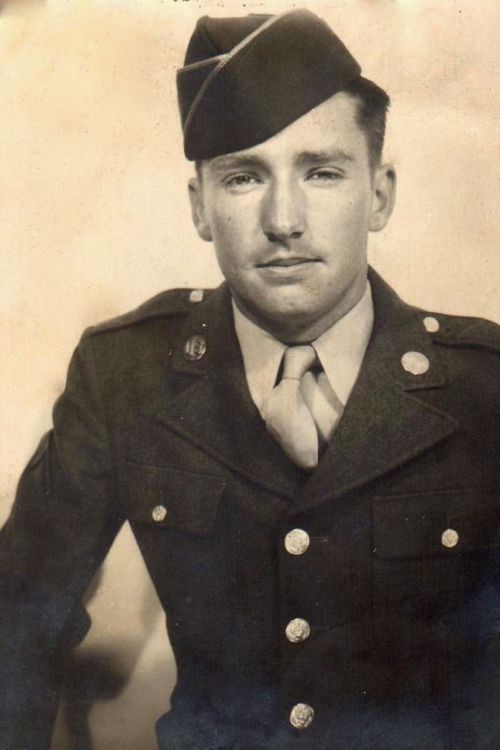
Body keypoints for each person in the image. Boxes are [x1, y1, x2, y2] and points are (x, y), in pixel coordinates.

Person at [1, 8, 499, 750]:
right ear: (200, 207)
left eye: (322, 172)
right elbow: (16, 618)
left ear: (380, 194)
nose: (284, 220)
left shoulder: (484, 390)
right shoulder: (124, 375)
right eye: (243, 177)